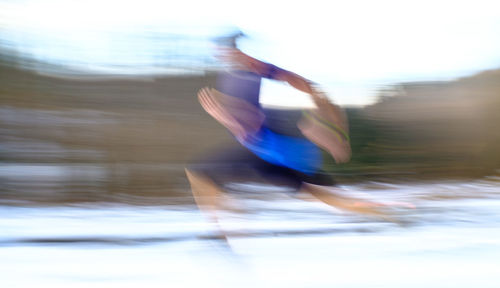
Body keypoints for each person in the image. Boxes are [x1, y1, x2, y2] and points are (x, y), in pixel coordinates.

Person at [185, 33, 387, 230]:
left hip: (270, 150)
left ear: (231, 50)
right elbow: (291, 81)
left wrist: (225, 114)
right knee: (326, 196)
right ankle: (389, 216)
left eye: (224, 50)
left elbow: (251, 120)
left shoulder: (249, 70)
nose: (221, 54)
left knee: (199, 171)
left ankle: (223, 228)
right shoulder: (244, 70)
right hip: (270, 151)